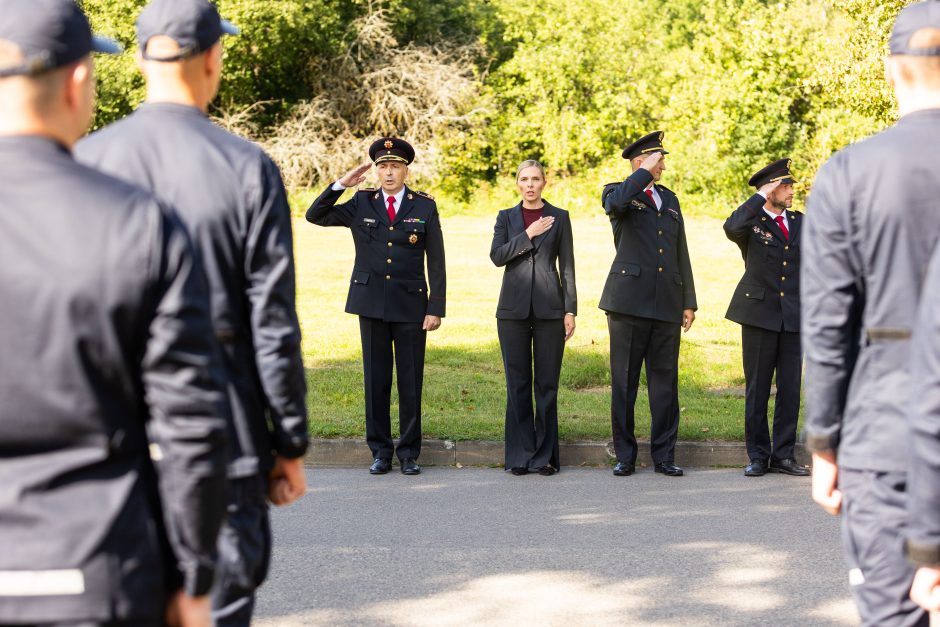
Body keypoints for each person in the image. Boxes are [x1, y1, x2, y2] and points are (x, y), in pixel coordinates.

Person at [75, 1, 309, 624]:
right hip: (221, 434)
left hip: (114, 437)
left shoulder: (90, 160)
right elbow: (272, 320)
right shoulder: (245, 168)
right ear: (212, 59)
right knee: (219, 606)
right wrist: (287, 441)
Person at [0, 1, 229, 625]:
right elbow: (189, 421)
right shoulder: (137, 222)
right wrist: (193, 576)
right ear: (78, 81)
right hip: (98, 564)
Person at [803, 3, 940, 624]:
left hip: (885, 433)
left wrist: (824, 443)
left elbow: (828, 326)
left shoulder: (849, 173)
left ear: (891, 70)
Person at [306, 138, 446, 476]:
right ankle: (381, 451)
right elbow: (315, 215)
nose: (388, 172)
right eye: (382, 166)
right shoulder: (361, 203)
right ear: (376, 171)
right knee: (376, 381)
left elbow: (437, 260)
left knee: (410, 382)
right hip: (370, 304)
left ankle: (409, 453)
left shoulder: (423, 206)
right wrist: (340, 185)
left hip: (412, 304)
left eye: (395, 166)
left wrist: (435, 307)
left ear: (405, 170)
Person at [600, 131, 697, 477]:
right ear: (640, 162)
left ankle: (664, 455)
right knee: (624, 383)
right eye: (658, 159)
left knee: (664, 384)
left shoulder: (669, 200)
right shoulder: (618, 191)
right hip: (627, 304)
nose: (664, 165)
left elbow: (680, 251)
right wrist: (641, 174)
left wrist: (689, 300)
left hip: (666, 304)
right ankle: (625, 455)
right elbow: (616, 205)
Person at [489, 160, 577, 476]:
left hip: (550, 310)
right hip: (512, 312)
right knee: (518, 384)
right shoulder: (506, 218)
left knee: (547, 385)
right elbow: (497, 256)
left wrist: (570, 310)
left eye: (535, 179)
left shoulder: (560, 217)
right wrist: (528, 233)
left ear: (544, 182)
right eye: (524, 179)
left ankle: (545, 456)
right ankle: (519, 455)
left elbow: (567, 267)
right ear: (517, 183)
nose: (529, 184)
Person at [723, 159, 809, 478]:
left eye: (789, 186)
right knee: (758, 388)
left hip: (793, 317)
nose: (790, 192)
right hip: (759, 314)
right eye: (784, 186)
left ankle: (783, 455)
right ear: (770, 188)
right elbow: (731, 227)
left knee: (789, 389)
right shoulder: (752, 221)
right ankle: (758, 455)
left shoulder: (800, 222)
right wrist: (760, 196)